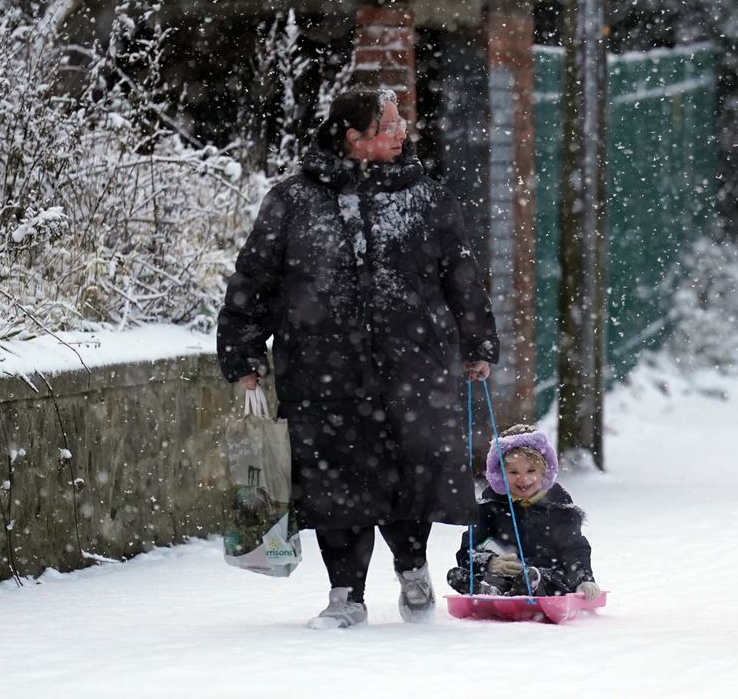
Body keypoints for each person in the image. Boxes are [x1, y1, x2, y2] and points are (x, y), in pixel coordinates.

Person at [217, 86, 500, 629]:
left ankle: (413, 569)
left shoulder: (428, 197)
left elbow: (460, 275)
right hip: (322, 371)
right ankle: (345, 593)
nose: (402, 134)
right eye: (389, 127)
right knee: (333, 482)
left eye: (400, 125)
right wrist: (243, 353)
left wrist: (477, 341)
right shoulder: (293, 200)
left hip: (413, 365)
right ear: (354, 137)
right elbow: (254, 281)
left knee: (411, 471)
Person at [447, 425, 600, 599]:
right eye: (513, 472)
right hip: (504, 575)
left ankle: (520, 588)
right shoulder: (490, 506)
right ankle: (489, 591)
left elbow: (575, 550)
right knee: (473, 575)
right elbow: (468, 550)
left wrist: (584, 579)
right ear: (501, 474)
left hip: (549, 577)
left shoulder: (558, 508)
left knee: (540, 577)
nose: (523, 479)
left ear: (544, 472)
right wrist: (490, 563)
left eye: (531, 471)